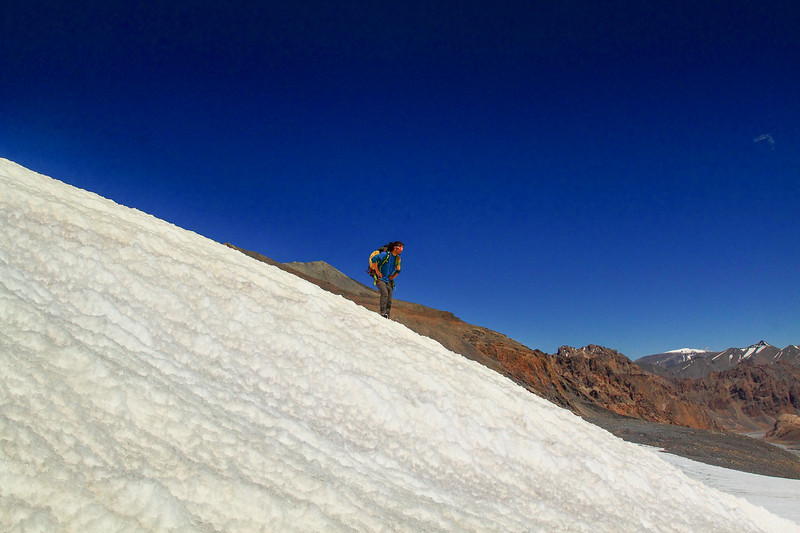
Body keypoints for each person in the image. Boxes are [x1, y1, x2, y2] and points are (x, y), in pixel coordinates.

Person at [370, 241, 403, 318]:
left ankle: (387, 315)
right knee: (385, 293)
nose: (401, 250)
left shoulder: (397, 259)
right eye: (400, 248)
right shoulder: (385, 254)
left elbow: (398, 270)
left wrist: (393, 277)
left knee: (389, 297)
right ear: (395, 248)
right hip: (380, 278)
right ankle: (383, 313)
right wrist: (377, 271)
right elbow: (374, 259)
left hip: (388, 280)